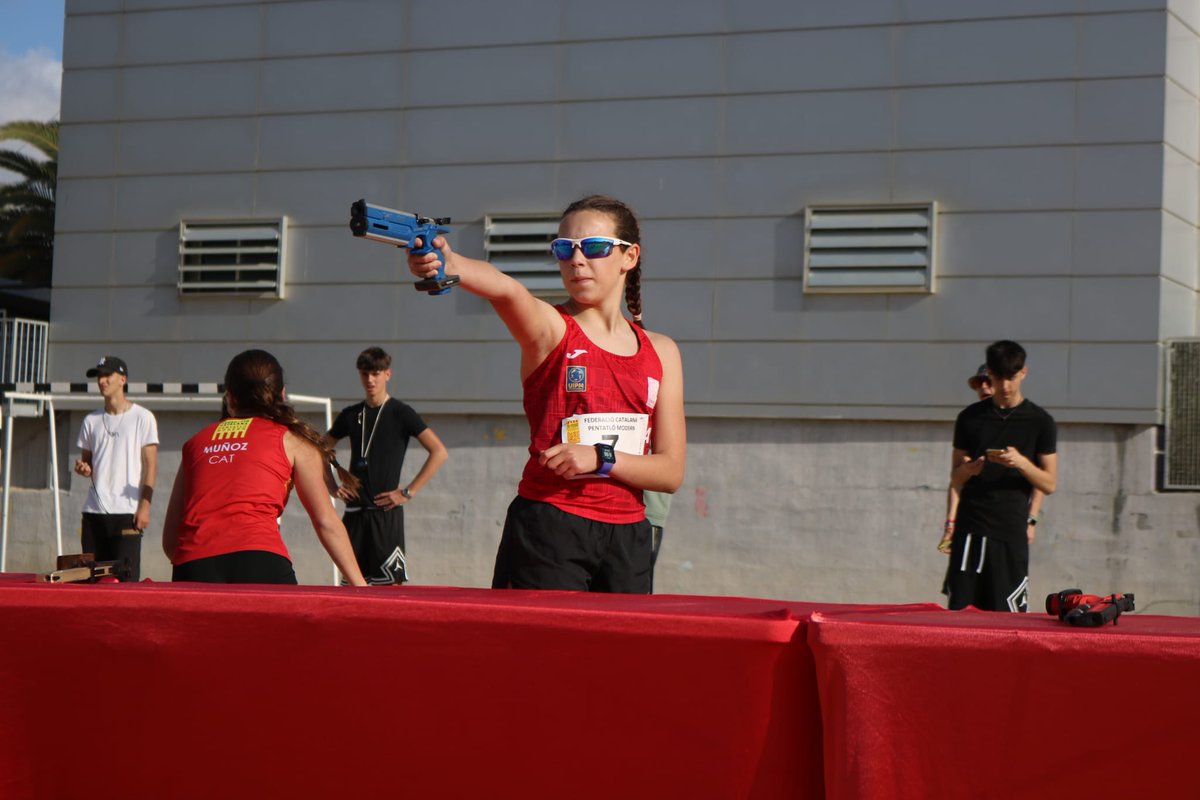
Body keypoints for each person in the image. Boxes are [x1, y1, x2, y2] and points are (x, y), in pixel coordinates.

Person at [407, 194, 686, 593]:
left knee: (618, 657)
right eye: (563, 248)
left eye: (593, 247)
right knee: (539, 656)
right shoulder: (552, 328)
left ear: (629, 256)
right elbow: (507, 291)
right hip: (550, 528)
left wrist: (600, 457)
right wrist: (449, 263)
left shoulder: (662, 351)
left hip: (629, 539)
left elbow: (671, 471)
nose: (576, 259)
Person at [162, 349, 367, 586]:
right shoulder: (294, 442)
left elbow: (170, 541)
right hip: (260, 561)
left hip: (193, 566)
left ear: (229, 398)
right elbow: (326, 522)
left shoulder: (195, 444)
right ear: (282, 394)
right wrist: (360, 587)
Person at [944, 341, 1057, 612]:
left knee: (1008, 618)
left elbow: (1049, 483)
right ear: (990, 376)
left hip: (1010, 532)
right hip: (970, 532)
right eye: (998, 378)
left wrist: (1021, 463)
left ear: (1023, 373)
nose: (1005, 386)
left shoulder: (1040, 421)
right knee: (961, 618)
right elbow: (955, 479)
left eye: (1011, 378)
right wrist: (967, 471)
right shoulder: (969, 418)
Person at [327, 347, 448, 585]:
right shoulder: (351, 414)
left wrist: (407, 492)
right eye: (364, 374)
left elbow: (439, 452)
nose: (370, 380)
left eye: (375, 373)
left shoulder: (401, 413)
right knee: (352, 586)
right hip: (354, 515)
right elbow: (318, 450)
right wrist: (331, 486)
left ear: (387, 374)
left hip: (385, 514)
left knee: (389, 587)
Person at [939, 365, 1045, 554]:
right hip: (972, 524)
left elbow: (1039, 479)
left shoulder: (1026, 422)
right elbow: (956, 482)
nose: (984, 388)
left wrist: (1031, 520)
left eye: (988, 381)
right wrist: (950, 523)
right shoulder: (970, 421)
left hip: (1009, 527)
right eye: (979, 383)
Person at [73, 356, 158, 581]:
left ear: (122, 379)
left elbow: (151, 466)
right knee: (88, 580)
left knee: (126, 581)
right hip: (93, 514)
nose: (102, 381)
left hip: (127, 514)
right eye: (99, 376)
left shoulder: (143, 417)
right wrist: (84, 469)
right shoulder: (91, 420)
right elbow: (87, 463)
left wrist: (145, 506)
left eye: (107, 375)